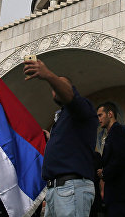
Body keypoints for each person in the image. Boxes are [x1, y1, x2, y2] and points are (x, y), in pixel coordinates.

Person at [23, 58, 98, 217]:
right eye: (52, 88)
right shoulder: (63, 119)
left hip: (71, 188)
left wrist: (49, 75)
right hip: (54, 190)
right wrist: (51, 139)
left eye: (58, 85)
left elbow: (71, 97)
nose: (54, 89)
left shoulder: (83, 107)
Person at [96, 102, 125, 216]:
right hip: (117, 194)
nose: (99, 119)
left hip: (121, 193)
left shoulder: (118, 131)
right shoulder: (112, 133)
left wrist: (104, 172)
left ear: (110, 114)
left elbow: (121, 159)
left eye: (100, 115)